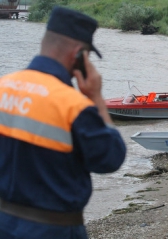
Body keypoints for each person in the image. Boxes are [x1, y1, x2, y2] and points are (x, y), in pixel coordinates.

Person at [0, 6, 126, 239]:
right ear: (79, 55)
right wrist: (96, 98)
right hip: (53, 230)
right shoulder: (74, 106)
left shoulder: (3, 87)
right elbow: (110, 158)